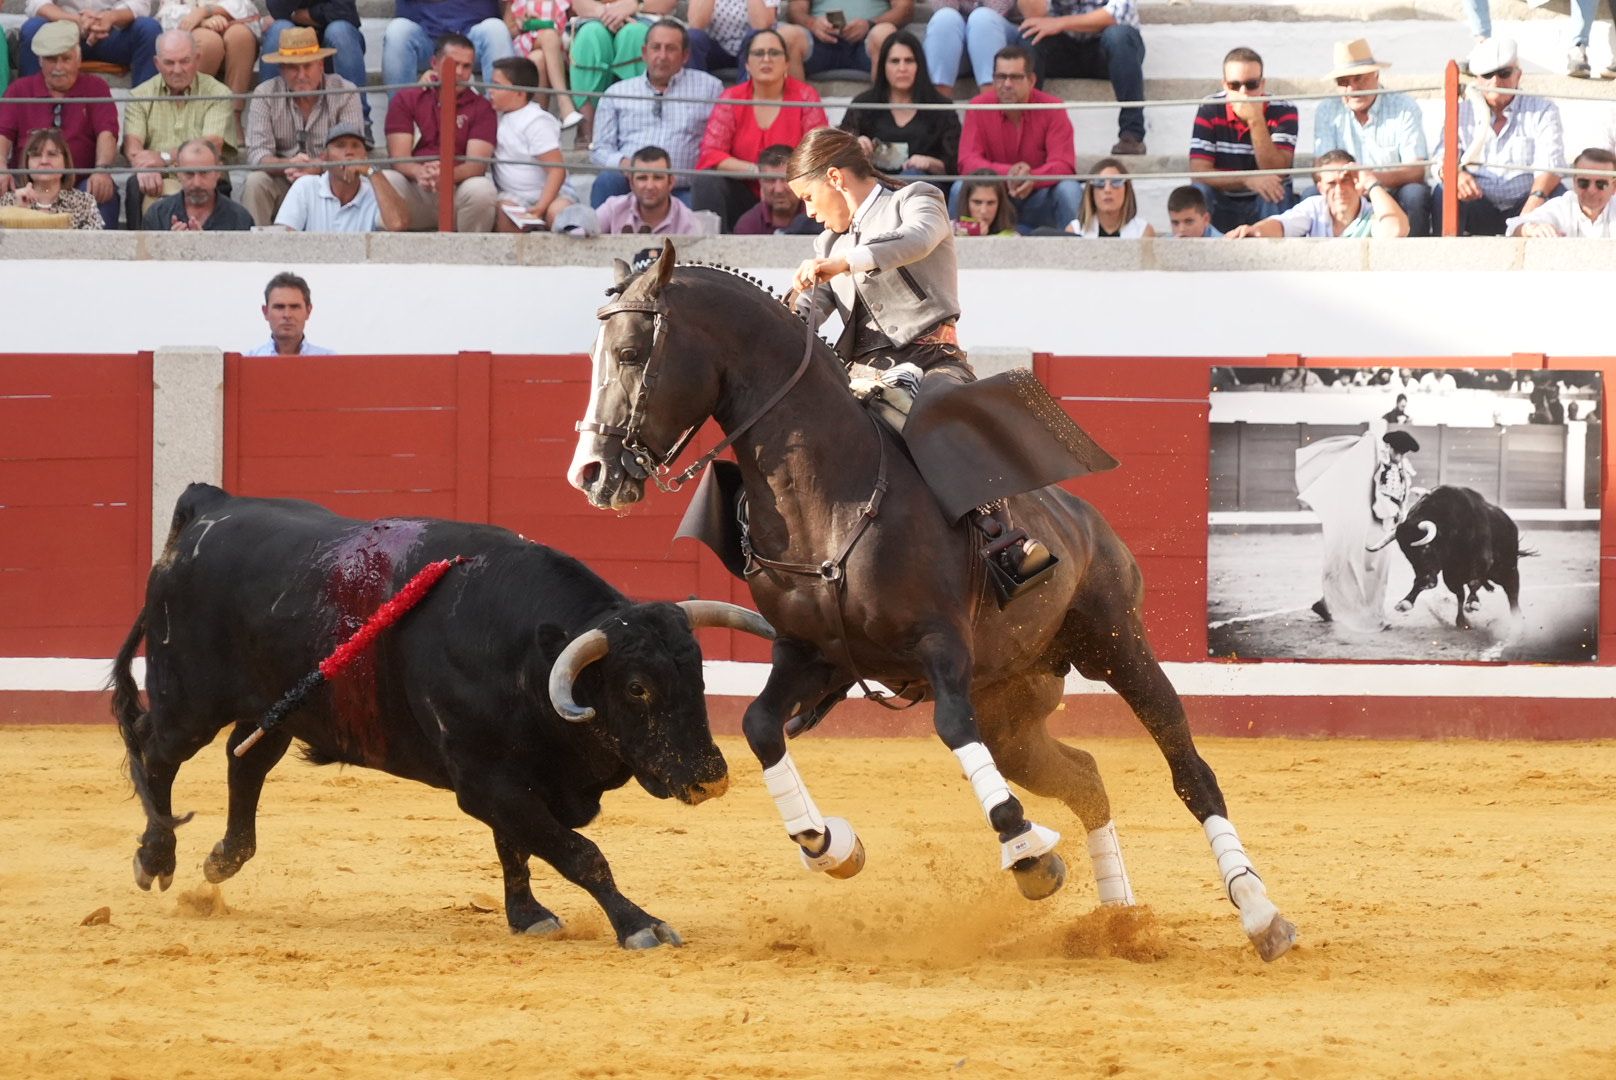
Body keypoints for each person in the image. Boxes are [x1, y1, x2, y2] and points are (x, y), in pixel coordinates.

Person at [785, 126, 1095, 598]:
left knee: (936, 410)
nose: (808, 212)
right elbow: (812, 306)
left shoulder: (916, 198)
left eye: (809, 197)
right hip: (863, 375)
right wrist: (780, 312)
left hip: (931, 359)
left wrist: (847, 261)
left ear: (835, 178)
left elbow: (918, 239)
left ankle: (1008, 544)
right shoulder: (827, 246)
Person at [694, 27, 828, 229]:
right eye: (758, 53)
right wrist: (759, 172)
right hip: (745, 193)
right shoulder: (732, 98)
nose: (766, 59)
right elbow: (711, 154)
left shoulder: (805, 97)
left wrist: (784, 180)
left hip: (795, 195)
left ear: (786, 63)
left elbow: (819, 154)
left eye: (774, 53)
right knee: (706, 182)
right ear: (747, 64)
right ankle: (710, 250)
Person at [1433, 38, 1565, 237]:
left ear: (1518, 75)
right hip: (1477, 202)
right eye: (1487, 75)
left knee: (1559, 196)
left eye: (1504, 74)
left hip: (1527, 201)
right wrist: (1456, 175)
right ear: (1477, 79)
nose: (1495, 82)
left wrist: (1529, 210)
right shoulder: (1462, 112)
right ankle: (1444, 260)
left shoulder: (1542, 110)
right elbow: (1440, 159)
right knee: (1444, 191)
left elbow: (1551, 166)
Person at [589, 20, 722, 209]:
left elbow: (718, 144)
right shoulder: (617, 93)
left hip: (682, 189)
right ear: (644, 53)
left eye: (671, 49)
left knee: (706, 194)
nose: (662, 56)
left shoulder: (710, 88)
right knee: (607, 180)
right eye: (656, 48)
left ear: (685, 56)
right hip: (631, 186)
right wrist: (626, 164)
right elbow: (599, 150)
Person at [0, 21, 120, 228]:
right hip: (26, 182)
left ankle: (98, 258)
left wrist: (102, 169)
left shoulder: (96, 88)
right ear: (39, 61)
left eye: (66, 59)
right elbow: (2, 134)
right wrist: (1, 167)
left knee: (103, 192)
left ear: (79, 58)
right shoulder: (19, 90)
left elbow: (106, 133)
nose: (59, 67)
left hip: (81, 183)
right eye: (51, 60)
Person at [242, 26, 364, 225]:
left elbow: (352, 152)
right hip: (283, 180)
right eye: (292, 67)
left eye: (307, 66)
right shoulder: (264, 93)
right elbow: (257, 155)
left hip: (331, 181)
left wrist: (318, 166)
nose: (301, 75)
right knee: (255, 182)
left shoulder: (346, 91)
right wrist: (290, 165)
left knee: (350, 174)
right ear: (281, 68)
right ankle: (258, 251)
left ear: (321, 65)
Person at [1299, 429, 1419, 630]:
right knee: (1365, 569)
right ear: (1389, 447)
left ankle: (1328, 604)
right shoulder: (1377, 461)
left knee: (1368, 569)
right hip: (1372, 523)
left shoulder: (1401, 468)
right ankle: (1368, 615)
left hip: (1385, 525)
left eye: (1403, 453)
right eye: (1398, 452)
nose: (1400, 457)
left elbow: (1399, 496)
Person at [1312, 38, 1431, 237]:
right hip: (1346, 189)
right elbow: (1319, 169)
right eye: (1343, 82)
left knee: (1415, 194)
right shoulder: (1326, 110)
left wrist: (1371, 180)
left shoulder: (1404, 107)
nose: (1352, 88)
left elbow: (1416, 170)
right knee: (1313, 194)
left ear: (1376, 75)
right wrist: (1354, 182)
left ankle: (1412, 259)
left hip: (1393, 190)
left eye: (1359, 78)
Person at [382, 33, 499, 232]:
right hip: (417, 189)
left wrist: (446, 175)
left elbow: (476, 166)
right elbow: (399, 158)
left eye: (467, 66)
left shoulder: (482, 107)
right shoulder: (407, 99)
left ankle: (471, 256)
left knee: (482, 190)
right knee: (385, 179)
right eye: (453, 64)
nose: (460, 72)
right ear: (435, 63)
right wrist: (421, 172)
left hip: (457, 191)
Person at [955, 45, 1080, 230]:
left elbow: (1064, 164)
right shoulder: (978, 107)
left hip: (1039, 195)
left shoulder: (1052, 107)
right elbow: (967, 162)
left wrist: (1033, 178)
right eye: (1001, 77)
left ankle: (1075, 252)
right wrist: (1009, 174)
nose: (1006, 84)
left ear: (1031, 80)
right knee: (959, 188)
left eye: (1015, 77)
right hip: (992, 199)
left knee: (1069, 189)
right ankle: (954, 252)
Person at [122, 29, 236, 228]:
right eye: (169, 62)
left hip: (204, 177)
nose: (177, 69)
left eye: (184, 61)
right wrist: (144, 169)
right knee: (135, 184)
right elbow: (133, 148)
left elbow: (211, 146)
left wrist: (163, 158)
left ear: (197, 59)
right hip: (159, 180)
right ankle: (140, 255)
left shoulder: (218, 93)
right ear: (157, 63)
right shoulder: (140, 94)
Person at [1189, 46, 1298, 234]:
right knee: (1198, 192)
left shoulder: (1284, 109)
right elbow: (1198, 171)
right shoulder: (1210, 108)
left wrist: (1255, 120)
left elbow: (1277, 170)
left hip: (1265, 197)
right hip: (1222, 198)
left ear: (1263, 85)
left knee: (1275, 191)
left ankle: (1274, 259)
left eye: (1251, 84)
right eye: (1234, 85)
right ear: (1224, 85)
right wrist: (1247, 179)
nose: (1243, 92)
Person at [1017, 0, 1146, 155]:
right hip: (1063, 47)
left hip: (1107, 50)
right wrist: (1053, 23)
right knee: (1030, 37)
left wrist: (1060, 23)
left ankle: (1131, 135)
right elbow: (1034, 16)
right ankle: (1023, 135)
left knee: (1119, 36)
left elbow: (1114, 15)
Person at [839, 31, 959, 181]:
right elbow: (838, 154)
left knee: (913, 176)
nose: (902, 68)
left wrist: (929, 163)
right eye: (895, 61)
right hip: (874, 190)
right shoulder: (863, 104)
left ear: (919, 65)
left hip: (924, 192)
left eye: (909, 61)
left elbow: (955, 167)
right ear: (883, 66)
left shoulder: (941, 108)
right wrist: (855, 146)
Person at [1227, 149, 1409, 239]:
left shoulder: (1372, 213)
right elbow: (1281, 225)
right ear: (1321, 188)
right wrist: (1254, 231)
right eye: (1331, 183)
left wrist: (1370, 181)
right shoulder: (1314, 207)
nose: (1339, 189)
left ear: (1357, 182)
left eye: (1346, 180)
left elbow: (1395, 229)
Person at [488, 55, 580, 231]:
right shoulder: (494, 116)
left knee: (559, 212)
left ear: (520, 93)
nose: (490, 90)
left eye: (497, 86)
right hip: (514, 197)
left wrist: (541, 207)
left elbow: (556, 170)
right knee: (505, 211)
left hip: (552, 196)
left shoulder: (535, 120)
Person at [566, 0, 678, 142]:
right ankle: (591, 133)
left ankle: (638, 128)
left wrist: (636, 5)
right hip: (597, 15)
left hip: (644, 15)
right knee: (591, 36)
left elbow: (669, 3)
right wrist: (607, 13)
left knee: (633, 35)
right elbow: (579, 4)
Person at [274, 122, 411, 232]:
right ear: (325, 158)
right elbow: (283, 239)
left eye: (355, 146)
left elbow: (397, 224)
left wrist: (373, 171)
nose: (349, 152)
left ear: (365, 156)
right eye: (340, 146)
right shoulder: (306, 186)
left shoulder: (376, 191)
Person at [154, 0, 263, 132]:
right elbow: (168, 12)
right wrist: (200, 20)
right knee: (209, 44)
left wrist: (207, 11)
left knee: (241, 37)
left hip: (232, 21)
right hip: (193, 27)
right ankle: (193, 119)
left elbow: (245, 6)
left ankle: (233, 118)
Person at [261, 0, 369, 133]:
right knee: (279, 29)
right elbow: (277, 9)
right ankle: (269, 121)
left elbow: (344, 11)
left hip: (334, 45)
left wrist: (298, 15)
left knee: (340, 31)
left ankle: (358, 122)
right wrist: (321, 12)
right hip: (294, 46)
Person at [18, 0, 163, 88]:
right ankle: (32, 114)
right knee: (33, 30)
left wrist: (109, 18)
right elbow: (36, 3)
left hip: (111, 32)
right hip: (62, 30)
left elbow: (140, 4)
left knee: (149, 29)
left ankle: (145, 115)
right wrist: (75, 20)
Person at [383, 0, 513, 94]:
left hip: (473, 40)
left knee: (496, 29)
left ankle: (497, 121)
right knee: (397, 31)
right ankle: (401, 119)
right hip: (426, 40)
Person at [0, 127, 105, 228]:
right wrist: (18, 211)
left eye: (52, 154)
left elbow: (95, 244)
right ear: (27, 163)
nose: (44, 161)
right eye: (36, 155)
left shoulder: (83, 203)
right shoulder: (8, 202)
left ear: (65, 163)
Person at [140, 137, 253, 229]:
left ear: (218, 172)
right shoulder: (158, 215)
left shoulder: (239, 218)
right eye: (189, 174)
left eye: (204, 173)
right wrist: (172, 246)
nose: (197, 183)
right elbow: (147, 256)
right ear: (177, 172)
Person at [505, 0, 584, 128]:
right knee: (549, 35)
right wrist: (521, 23)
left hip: (557, 48)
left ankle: (541, 123)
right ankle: (564, 104)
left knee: (538, 58)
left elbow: (575, 23)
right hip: (525, 43)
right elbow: (508, 30)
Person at [687, 0, 810, 80]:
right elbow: (696, 23)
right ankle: (695, 98)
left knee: (757, 36)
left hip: (752, 46)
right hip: (716, 47)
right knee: (693, 37)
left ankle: (747, 100)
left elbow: (762, 24)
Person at [1507, 147, 1616, 238]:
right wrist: (1529, 229)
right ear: (1574, 182)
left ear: (1614, 186)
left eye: (1601, 184)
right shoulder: (1561, 206)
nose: (1592, 190)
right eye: (1584, 182)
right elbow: (1513, 227)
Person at [597, 144, 707, 233]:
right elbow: (580, 239)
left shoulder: (688, 222)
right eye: (642, 178)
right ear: (631, 183)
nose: (650, 186)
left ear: (671, 182)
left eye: (658, 178)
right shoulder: (612, 208)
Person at [787, 0, 910, 77]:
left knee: (884, 34)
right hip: (820, 40)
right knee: (789, 36)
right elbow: (795, 10)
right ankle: (796, 112)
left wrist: (870, 24)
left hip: (869, 40)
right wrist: (812, 24)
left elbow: (904, 9)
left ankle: (883, 110)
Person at [922, 0, 1022, 96]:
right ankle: (936, 106)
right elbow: (941, 7)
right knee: (944, 18)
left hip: (998, 35)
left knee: (982, 18)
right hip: (956, 44)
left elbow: (999, 8)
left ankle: (992, 105)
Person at [734, 142, 822, 233]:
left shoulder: (821, 219)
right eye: (770, 180)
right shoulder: (748, 225)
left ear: (800, 179)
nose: (778, 189)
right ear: (760, 182)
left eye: (785, 180)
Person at [249, 271, 335, 356]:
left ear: (308, 311)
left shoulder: (330, 361)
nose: (287, 315)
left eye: (295, 307)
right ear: (265, 312)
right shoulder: (247, 362)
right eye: (279, 307)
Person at [1065, 156, 1152, 237]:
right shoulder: (1075, 230)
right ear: (1091, 191)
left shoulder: (1142, 231)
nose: (1107, 189)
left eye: (1116, 182)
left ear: (1127, 189)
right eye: (1100, 183)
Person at [952, 169, 1017, 234]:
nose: (983, 211)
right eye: (977, 202)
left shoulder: (1013, 238)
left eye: (990, 203)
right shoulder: (948, 232)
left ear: (1000, 204)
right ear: (966, 202)